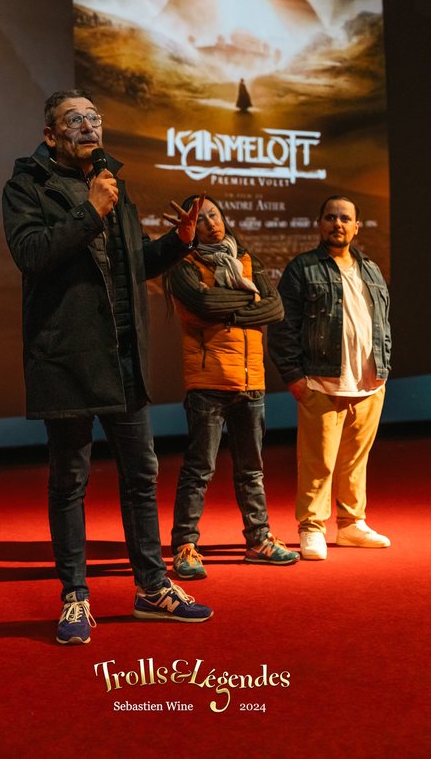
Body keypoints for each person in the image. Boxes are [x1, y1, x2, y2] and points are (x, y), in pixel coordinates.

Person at [2, 89, 213, 644]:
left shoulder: (111, 182)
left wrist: (176, 245)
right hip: (66, 357)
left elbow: (128, 263)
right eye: (75, 119)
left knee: (141, 477)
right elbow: (32, 253)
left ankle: (152, 587)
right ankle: (75, 597)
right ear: (51, 134)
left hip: (122, 356)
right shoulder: (28, 185)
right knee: (69, 479)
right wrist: (89, 209)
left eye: (94, 117)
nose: (89, 126)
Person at [164, 195, 300, 579]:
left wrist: (231, 307)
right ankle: (185, 544)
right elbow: (202, 305)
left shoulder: (245, 259)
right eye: (201, 218)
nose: (210, 222)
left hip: (251, 381)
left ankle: (259, 539)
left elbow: (275, 309)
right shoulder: (183, 266)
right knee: (199, 469)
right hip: (208, 382)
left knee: (251, 469)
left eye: (214, 214)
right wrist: (249, 300)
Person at [268, 196, 391, 560]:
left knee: (355, 460)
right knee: (317, 459)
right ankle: (312, 526)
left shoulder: (371, 269)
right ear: (319, 223)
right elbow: (283, 326)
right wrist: (294, 376)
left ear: (356, 226)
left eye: (345, 218)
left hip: (370, 383)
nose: (337, 223)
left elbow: (383, 323)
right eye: (330, 217)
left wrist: (384, 368)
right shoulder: (302, 269)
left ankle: (351, 524)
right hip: (321, 382)